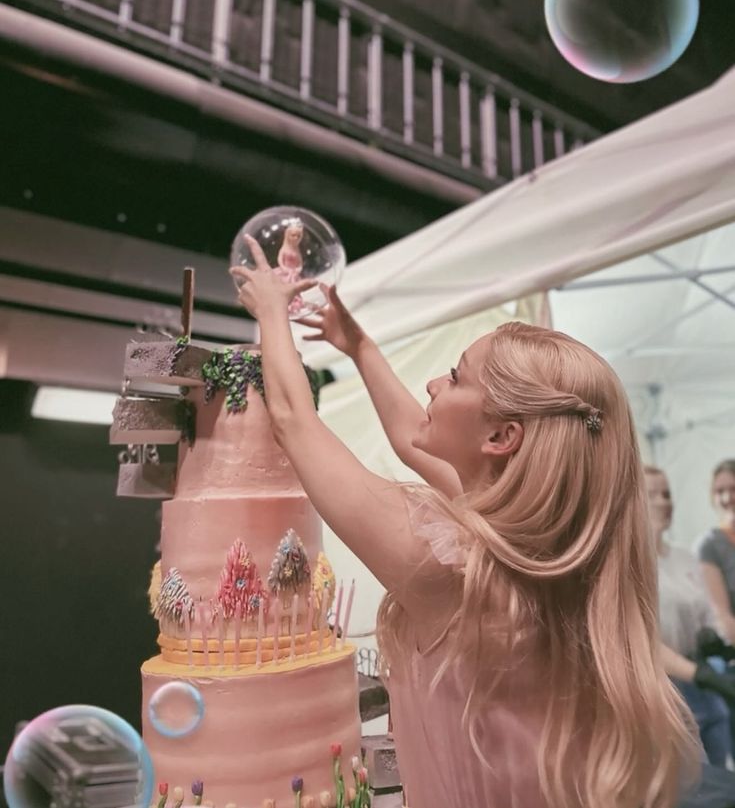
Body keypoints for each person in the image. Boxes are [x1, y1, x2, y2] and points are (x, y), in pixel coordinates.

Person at [231, 244, 699, 808]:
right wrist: (357, 345)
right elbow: (411, 439)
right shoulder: (534, 554)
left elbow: (292, 421)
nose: (433, 384)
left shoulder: (454, 572)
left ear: (501, 438)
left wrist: (270, 311)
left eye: (456, 377)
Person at [644, 466, 733, 767]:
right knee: (698, 784)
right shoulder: (632, 567)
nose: (663, 501)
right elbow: (643, 641)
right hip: (666, 691)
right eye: (652, 494)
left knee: (722, 777)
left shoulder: (685, 558)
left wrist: (714, 639)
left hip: (704, 683)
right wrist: (702, 675)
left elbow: (710, 613)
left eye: (667, 493)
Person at [698, 461, 735, 645]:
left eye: (733, 488)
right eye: (720, 491)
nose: (728, 498)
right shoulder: (709, 545)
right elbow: (722, 617)